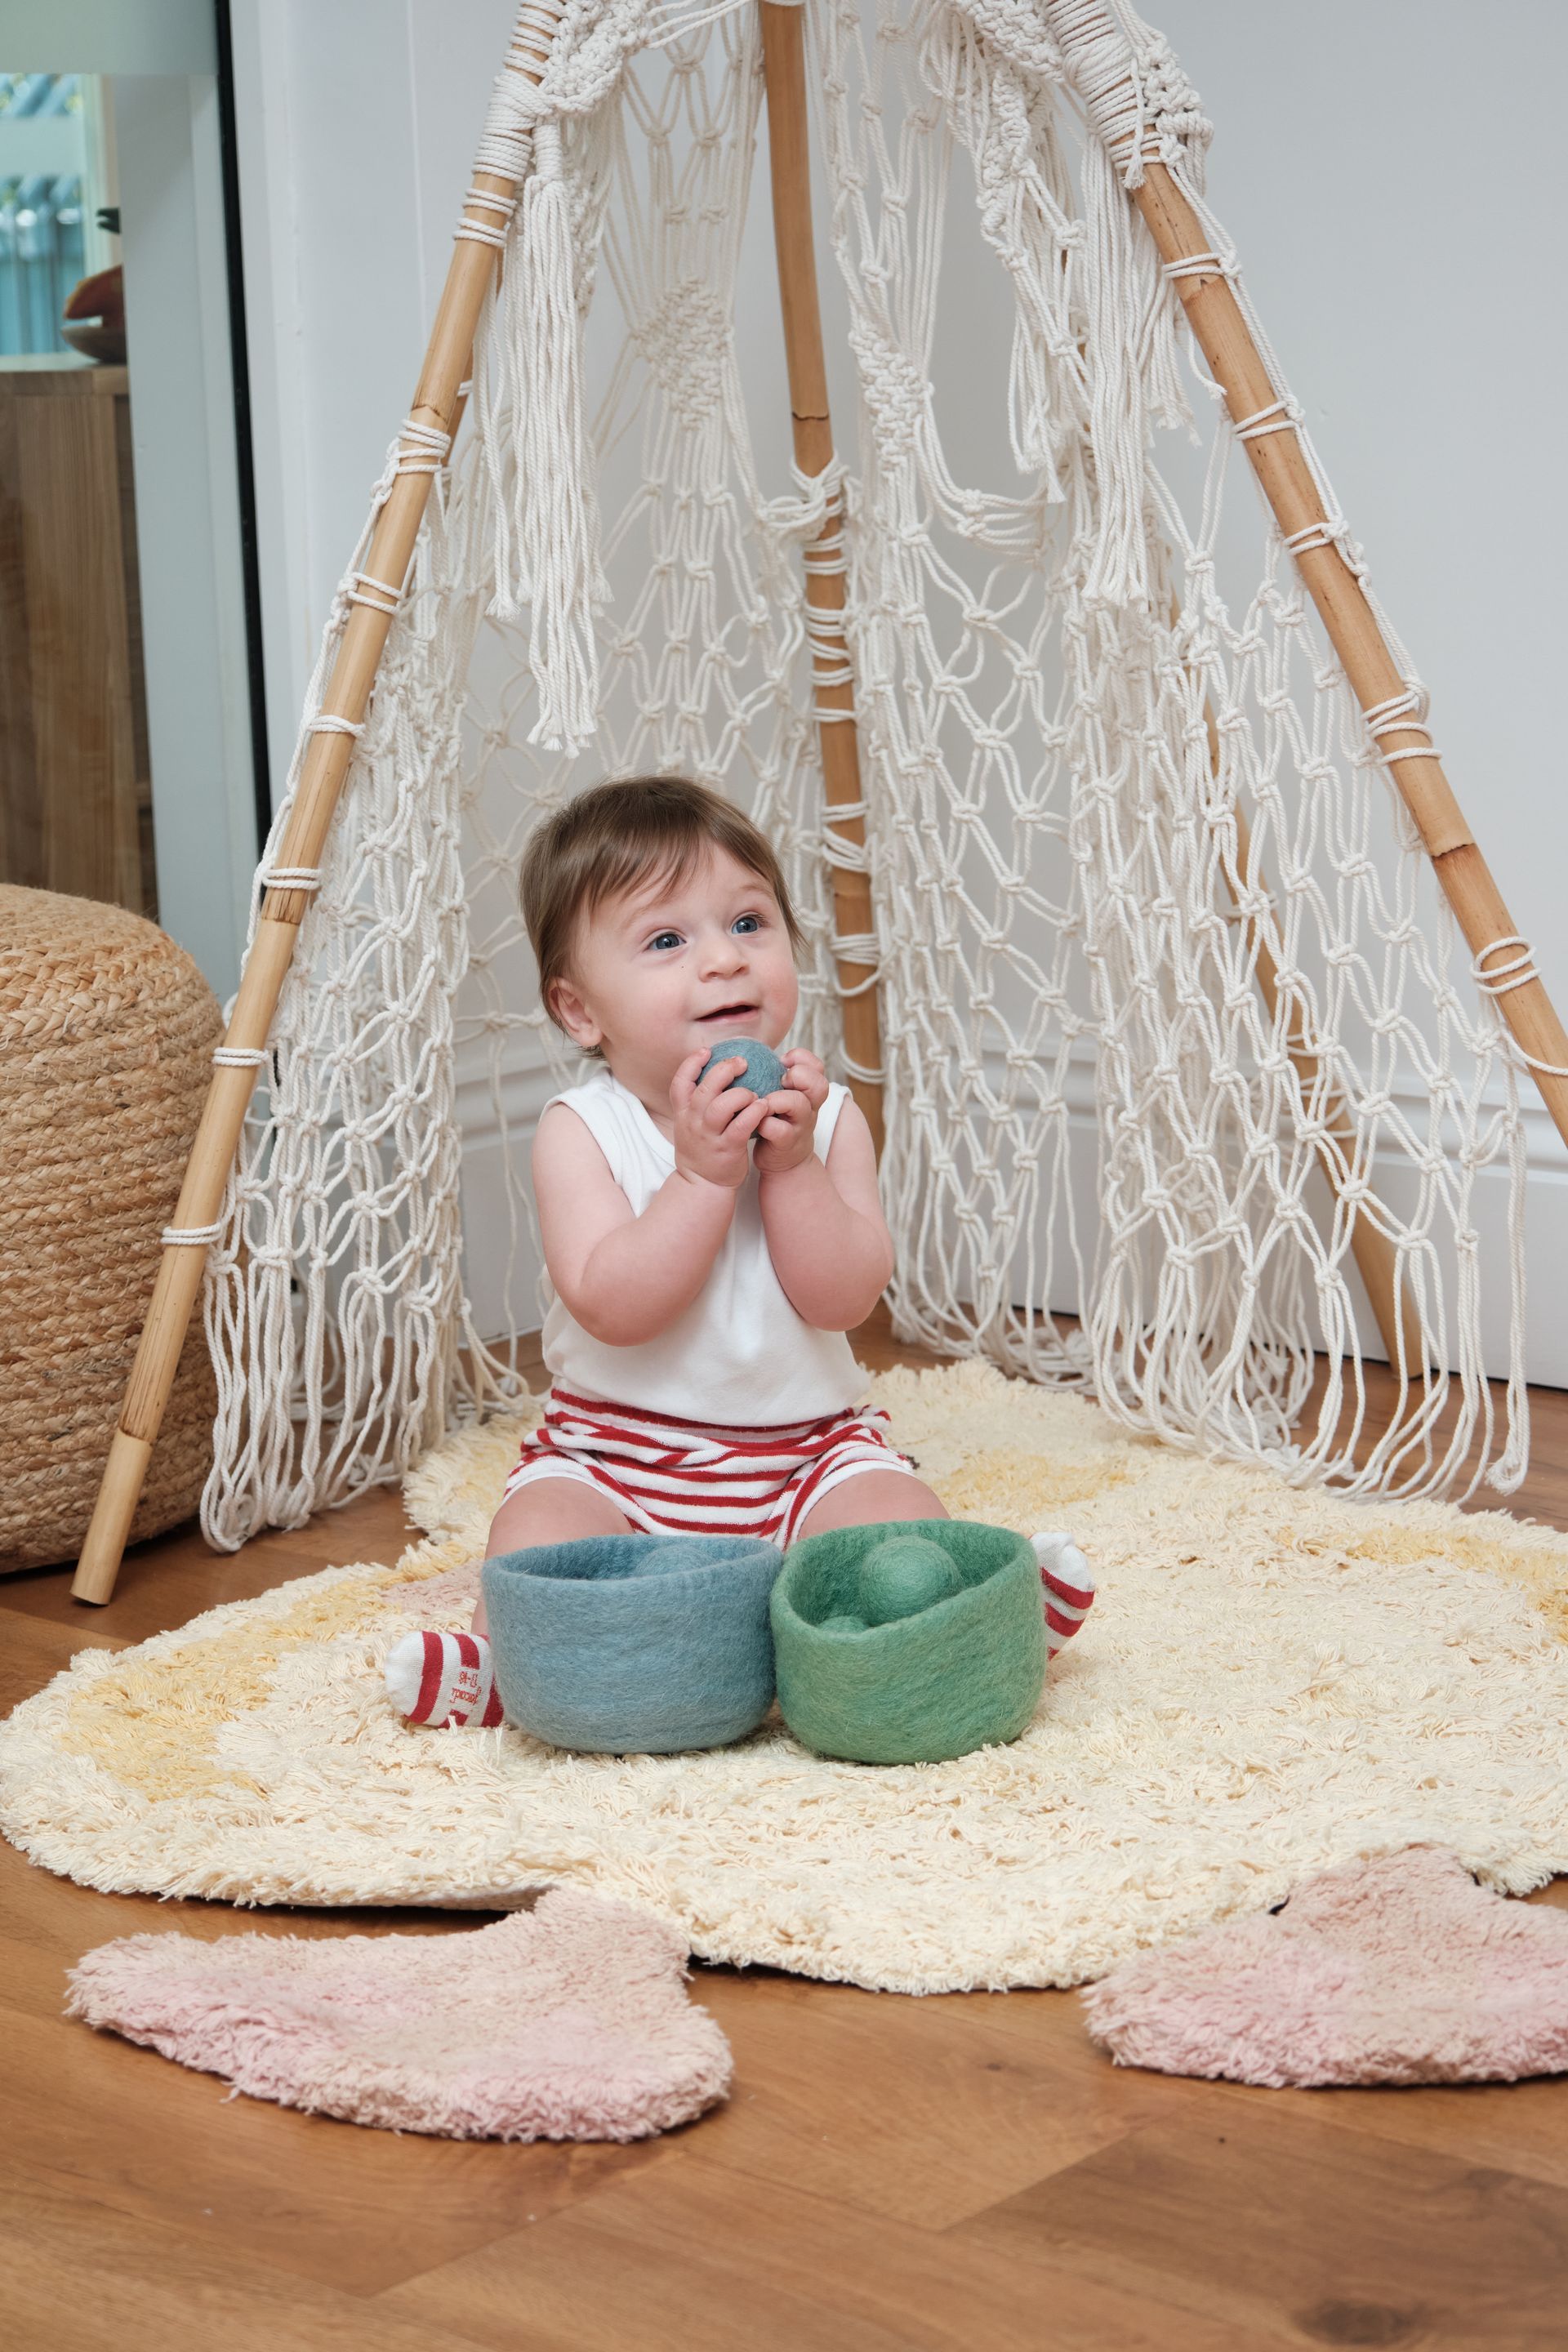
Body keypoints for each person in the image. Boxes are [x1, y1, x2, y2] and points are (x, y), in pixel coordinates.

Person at [387, 774, 1091, 1729]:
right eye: (668, 941)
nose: (724, 961)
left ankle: (973, 1627)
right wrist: (703, 1179)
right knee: (531, 1548)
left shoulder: (827, 1115)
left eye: (750, 923)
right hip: (617, 1457)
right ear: (581, 1010)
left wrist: (789, 1166)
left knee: (904, 1532)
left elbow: (842, 1297)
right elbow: (613, 1305)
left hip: (809, 1453)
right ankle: (503, 1670)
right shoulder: (581, 1130)